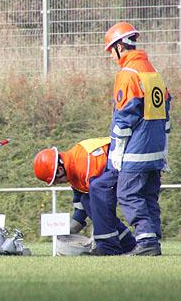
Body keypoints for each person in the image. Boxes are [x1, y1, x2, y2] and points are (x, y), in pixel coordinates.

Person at [104, 21, 171, 256]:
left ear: (119, 48)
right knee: (149, 195)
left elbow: (124, 119)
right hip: (156, 149)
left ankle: (145, 241)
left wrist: (116, 153)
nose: (111, 58)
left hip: (136, 150)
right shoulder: (153, 72)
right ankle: (153, 240)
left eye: (110, 52)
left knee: (128, 193)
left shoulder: (128, 75)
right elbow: (166, 113)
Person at [33, 139, 137, 255]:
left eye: (55, 180)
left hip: (128, 165)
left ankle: (109, 247)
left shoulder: (83, 165)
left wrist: (100, 236)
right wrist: (69, 228)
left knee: (96, 203)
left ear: (59, 170)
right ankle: (127, 243)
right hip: (119, 166)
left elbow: (101, 202)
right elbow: (81, 202)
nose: (57, 184)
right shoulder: (72, 168)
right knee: (87, 200)